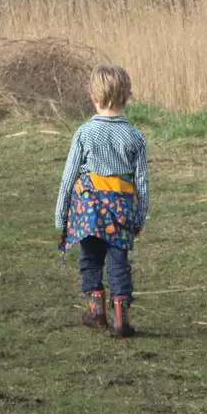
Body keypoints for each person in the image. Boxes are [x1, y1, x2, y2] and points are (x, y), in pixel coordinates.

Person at [55, 64, 150, 338]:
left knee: (90, 258)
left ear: (92, 96)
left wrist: (62, 213)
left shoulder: (84, 133)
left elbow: (69, 175)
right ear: (127, 96)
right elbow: (141, 182)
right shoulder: (135, 136)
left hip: (87, 208)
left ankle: (96, 312)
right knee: (119, 261)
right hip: (121, 209)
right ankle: (121, 319)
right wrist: (140, 216)